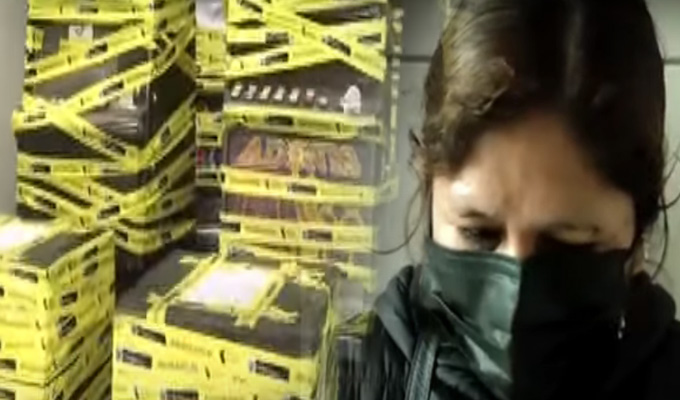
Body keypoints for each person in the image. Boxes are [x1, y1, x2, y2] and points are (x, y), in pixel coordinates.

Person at [346, 0, 680, 399]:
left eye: (566, 243)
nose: (515, 297)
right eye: (478, 233)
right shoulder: (352, 376)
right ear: (430, 193)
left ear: (639, 228)